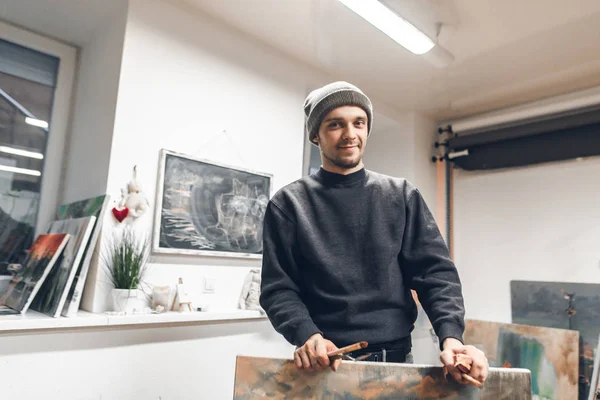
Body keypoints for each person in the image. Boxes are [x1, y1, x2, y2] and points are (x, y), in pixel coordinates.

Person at [259, 81, 488, 386]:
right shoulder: (288, 204)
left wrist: (451, 337)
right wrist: (307, 335)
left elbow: (435, 275)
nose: (350, 133)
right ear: (316, 134)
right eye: (335, 124)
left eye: (359, 122)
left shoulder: (401, 195)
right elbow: (278, 288)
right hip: (325, 366)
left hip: (396, 361)